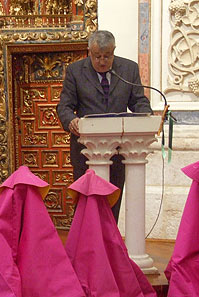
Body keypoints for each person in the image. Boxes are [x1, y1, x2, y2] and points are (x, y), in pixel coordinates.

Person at [56, 30, 152, 222]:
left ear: (113, 51)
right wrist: (70, 121)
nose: (102, 61)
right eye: (97, 56)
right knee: (87, 202)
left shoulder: (128, 69)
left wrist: (146, 114)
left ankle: (109, 245)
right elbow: (64, 106)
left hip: (119, 150)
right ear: (89, 52)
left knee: (112, 201)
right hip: (85, 150)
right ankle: (86, 247)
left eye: (107, 56)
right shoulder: (75, 71)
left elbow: (138, 101)